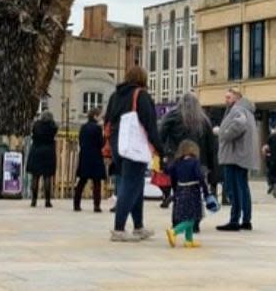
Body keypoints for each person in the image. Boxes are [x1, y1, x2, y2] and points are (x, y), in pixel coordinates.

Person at [105, 66, 165, 242]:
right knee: (131, 186)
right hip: (134, 146)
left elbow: (107, 121)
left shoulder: (115, 96)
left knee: (136, 185)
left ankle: (138, 226)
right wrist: (160, 148)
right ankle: (119, 229)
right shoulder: (141, 95)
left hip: (118, 146)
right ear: (143, 79)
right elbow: (150, 124)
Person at [158, 92, 216, 214]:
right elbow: (211, 145)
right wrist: (212, 167)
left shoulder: (172, 115)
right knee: (196, 190)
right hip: (199, 161)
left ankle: (178, 214)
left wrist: (163, 153)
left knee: (177, 190)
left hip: (176, 159)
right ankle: (195, 217)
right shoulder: (203, 120)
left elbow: (161, 133)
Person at [216, 88, 257, 232]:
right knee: (243, 188)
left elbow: (239, 124)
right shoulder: (248, 111)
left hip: (234, 156)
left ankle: (234, 220)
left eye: (228, 97)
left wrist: (223, 134)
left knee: (233, 188)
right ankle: (246, 220)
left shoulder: (237, 109)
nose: (226, 100)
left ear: (237, 98)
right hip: (242, 155)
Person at [165, 140, 211, 248]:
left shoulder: (177, 162)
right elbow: (199, 176)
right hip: (192, 191)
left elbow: (169, 171)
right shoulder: (194, 162)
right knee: (192, 218)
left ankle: (189, 240)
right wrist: (206, 191)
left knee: (187, 216)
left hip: (180, 190)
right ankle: (174, 232)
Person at [73, 108, 106, 212]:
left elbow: (80, 140)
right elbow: (101, 143)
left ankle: (76, 204)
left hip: (85, 156)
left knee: (82, 181)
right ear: (95, 116)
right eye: (99, 115)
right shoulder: (97, 128)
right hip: (95, 157)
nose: (100, 118)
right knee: (96, 182)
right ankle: (96, 205)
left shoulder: (83, 127)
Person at [27, 110, 58, 208]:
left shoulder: (36, 125)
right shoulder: (53, 127)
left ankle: (33, 200)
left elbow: (33, 133)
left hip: (36, 151)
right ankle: (47, 201)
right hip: (48, 152)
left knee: (35, 176)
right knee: (47, 176)